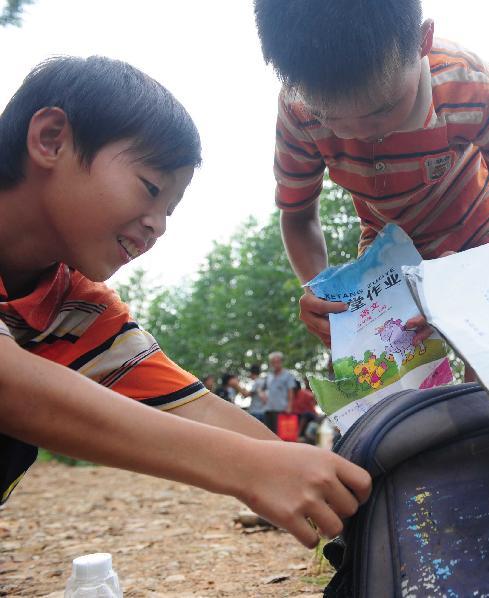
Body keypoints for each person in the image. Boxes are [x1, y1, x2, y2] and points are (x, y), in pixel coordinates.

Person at [0, 56, 370, 548]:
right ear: (51, 139)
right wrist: (247, 469)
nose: (158, 226)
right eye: (150, 189)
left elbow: (193, 408)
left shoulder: (77, 307)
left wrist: (338, 484)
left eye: (168, 211)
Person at [254, 0, 489, 347]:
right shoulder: (299, 109)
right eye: (332, 120)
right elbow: (297, 216)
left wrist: (481, 267)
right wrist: (320, 288)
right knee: (387, 370)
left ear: (422, 40)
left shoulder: (471, 85)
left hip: (486, 236)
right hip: (388, 257)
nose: (359, 135)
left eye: (383, 110)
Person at [262, 351, 298, 434]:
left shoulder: (287, 375)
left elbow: (290, 391)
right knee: (269, 433)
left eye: (277, 362)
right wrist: (262, 395)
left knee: (281, 433)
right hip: (268, 408)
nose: (275, 364)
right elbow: (264, 389)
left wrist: (289, 406)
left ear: (281, 362)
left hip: (281, 409)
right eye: (273, 362)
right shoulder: (269, 375)